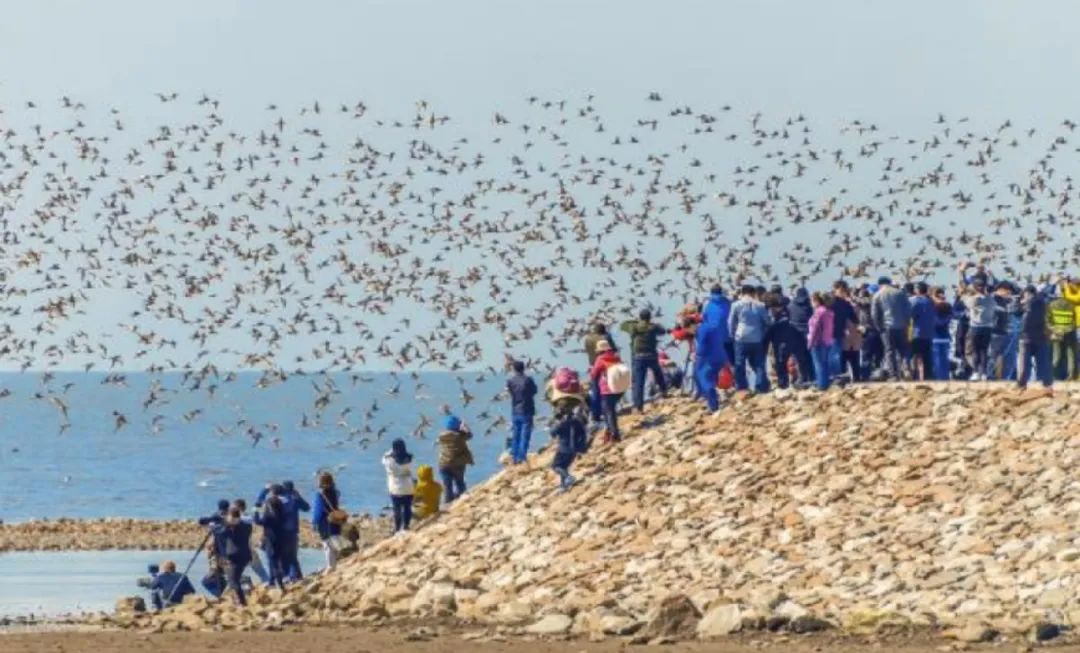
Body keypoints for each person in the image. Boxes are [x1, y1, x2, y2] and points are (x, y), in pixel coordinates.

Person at [619, 309, 669, 412]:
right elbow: (663, 331)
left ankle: (639, 406)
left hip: (639, 357)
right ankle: (664, 391)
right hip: (651, 355)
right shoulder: (653, 327)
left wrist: (634, 321)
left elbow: (622, 325)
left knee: (639, 382)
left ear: (640, 317)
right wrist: (653, 323)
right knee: (658, 373)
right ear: (649, 317)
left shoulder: (634, 327)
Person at [728, 285, 772, 394]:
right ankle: (761, 387)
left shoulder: (736, 305)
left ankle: (742, 387)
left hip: (741, 337)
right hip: (757, 338)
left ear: (742, 293)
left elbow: (730, 322)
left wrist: (732, 335)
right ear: (753, 293)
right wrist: (762, 334)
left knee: (740, 363)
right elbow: (767, 322)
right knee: (759, 364)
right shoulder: (760, 305)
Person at [957, 264, 997, 381]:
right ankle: (983, 372)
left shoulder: (974, 300)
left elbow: (963, 297)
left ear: (975, 287)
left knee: (975, 351)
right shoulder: (991, 299)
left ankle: (975, 372)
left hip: (975, 327)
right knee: (984, 351)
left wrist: (961, 274)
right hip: (988, 328)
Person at [694, 286, 730, 412]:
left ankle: (710, 400)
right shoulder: (728, 302)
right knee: (724, 367)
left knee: (703, 374)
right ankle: (731, 389)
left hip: (710, 343)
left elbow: (702, 344)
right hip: (726, 338)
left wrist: (698, 354)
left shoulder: (707, 304)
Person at [209, 507, 253, 606]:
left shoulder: (230, 529)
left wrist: (216, 524)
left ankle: (242, 602)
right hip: (243, 557)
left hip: (235, 558)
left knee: (233, 580)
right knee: (233, 579)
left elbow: (220, 532)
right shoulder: (246, 526)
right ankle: (239, 600)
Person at [871, 277, 912, 380]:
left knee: (889, 351)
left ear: (880, 284)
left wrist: (878, 327)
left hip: (886, 327)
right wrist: (906, 324)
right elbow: (908, 310)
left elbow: (874, 314)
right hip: (901, 326)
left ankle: (893, 375)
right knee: (904, 350)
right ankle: (906, 369)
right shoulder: (900, 293)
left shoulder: (877, 295)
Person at [1017, 285, 1053, 390]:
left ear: (1027, 293)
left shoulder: (1029, 303)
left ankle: (1022, 385)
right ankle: (1047, 385)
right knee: (1043, 363)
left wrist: (1021, 302)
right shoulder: (1042, 302)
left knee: (1024, 364)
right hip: (1040, 337)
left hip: (1027, 337)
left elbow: (1016, 312)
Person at [589, 340, 626, 442]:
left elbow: (594, 374)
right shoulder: (616, 357)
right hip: (619, 389)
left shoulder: (600, 359)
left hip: (607, 390)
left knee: (609, 412)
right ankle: (609, 432)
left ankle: (615, 434)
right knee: (609, 410)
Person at [252, 490, 288, 590]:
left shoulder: (269, 517)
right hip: (281, 539)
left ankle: (279, 584)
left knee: (272, 562)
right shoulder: (282, 514)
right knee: (277, 560)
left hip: (270, 540)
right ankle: (273, 581)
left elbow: (257, 521)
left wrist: (256, 510)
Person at [505, 360, 538, 464]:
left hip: (515, 410)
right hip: (527, 410)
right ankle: (521, 457)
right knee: (525, 435)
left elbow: (511, 392)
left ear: (514, 369)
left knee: (516, 434)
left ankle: (514, 457)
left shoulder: (510, 381)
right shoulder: (528, 380)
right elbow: (534, 391)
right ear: (524, 368)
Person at [583, 323, 615, 425]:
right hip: (605, 366)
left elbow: (588, 350)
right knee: (607, 389)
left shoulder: (588, 339)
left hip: (593, 366)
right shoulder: (605, 337)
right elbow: (613, 349)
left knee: (596, 391)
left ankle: (595, 415)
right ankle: (608, 411)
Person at [197, 499, 230, 597]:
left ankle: (223, 595)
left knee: (215, 576)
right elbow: (203, 521)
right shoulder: (218, 517)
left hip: (223, 552)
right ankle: (222, 594)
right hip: (219, 551)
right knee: (218, 575)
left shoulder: (228, 519)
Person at [550, 406, 588, 491]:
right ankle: (564, 486)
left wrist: (556, 422)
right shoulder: (577, 421)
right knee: (564, 467)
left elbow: (552, 433)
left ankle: (569, 477)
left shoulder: (562, 423)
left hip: (563, 448)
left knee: (555, 466)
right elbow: (583, 434)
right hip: (574, 449)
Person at [437, 415, 473, 503]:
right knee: (460, 482)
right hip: (457, 464)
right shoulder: (460, 436)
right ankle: (461, 500)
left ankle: (448, 503)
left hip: (443, 464)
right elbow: (470, 435)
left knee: (447, 486)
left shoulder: (441, 437)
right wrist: (465, 427)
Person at [312, 472, 343, 570]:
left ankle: (330, 566)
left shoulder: (320, 494)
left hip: (325, 521)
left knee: (327, 543)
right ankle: (334, 564)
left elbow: (319, 510)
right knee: (334, 540)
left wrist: (314, 522)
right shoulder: (335, 492)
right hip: (335, 518)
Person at [383, 438, 415, 534]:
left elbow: (384, 459)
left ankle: (397, 528)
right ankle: (406, 526)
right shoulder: (410, 458)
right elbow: (412, 469)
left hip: (395, 487)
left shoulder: (389, 460)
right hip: (408, 486)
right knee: (407, 507)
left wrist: (390, 452)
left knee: (397, 508)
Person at [831, 281, 861, 382]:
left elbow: (853, 318)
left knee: (838, 357)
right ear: (836, 290)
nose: (844, 292)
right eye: (842, 290)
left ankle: (840, 377)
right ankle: (836, 377)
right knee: (836, 357)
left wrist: (858, 326)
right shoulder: (830, 303)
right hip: (831, 334)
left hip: (839, 334)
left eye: (845, 290)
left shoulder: (845, 304)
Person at [1049, 282, 1078, 380]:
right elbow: (1074, 320)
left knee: (1056, 356)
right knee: (1071, 356)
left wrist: (1055, 330)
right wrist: (1067, 329)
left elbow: (1048, 320)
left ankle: (1052, 376)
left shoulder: (1051, 305)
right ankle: (1071, 376)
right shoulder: (1072, 305)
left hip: (1057, 333)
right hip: (1070, 332)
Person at [786, 287, 815, 384]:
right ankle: (812, 378)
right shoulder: (810, 306)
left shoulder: (790, 306)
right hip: (809, 334)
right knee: (810, 357)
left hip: (795, 334)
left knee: (799, 358)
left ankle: (802, 378)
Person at [806, 292, 834, 391]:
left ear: (817, 301)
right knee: (824, 363)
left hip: (818, 342)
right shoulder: (828, 311)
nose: (811, 303)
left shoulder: (818, 312)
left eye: (812, 301)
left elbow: (815, 329)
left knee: (818, 364)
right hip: (828, 340)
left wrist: (810, 342)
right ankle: (825, 383)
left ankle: (821, 385)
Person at [909, 282, 936, 380]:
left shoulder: (915, 301)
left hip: (917, 332)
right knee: (927, 356)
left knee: (914, 356)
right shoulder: (931, 301)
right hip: (928, 333)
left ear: (917, 290)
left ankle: (914, 376)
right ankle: (928, 376)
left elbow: (911, 314)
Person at [930, 287, 954, 380]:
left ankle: (939, 378)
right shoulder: (948, 306)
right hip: (945, 337)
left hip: (935, 336)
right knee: (944, 359)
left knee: (937, 360)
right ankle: (945, 377)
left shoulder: (932, 306)